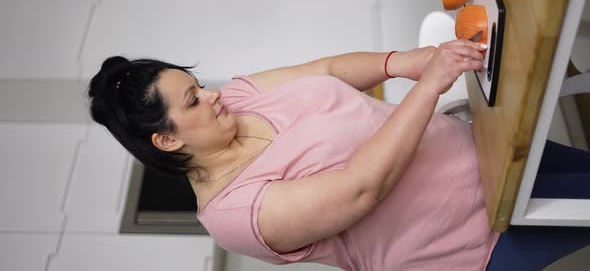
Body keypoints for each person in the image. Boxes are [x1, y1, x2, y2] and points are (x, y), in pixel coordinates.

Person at [87, 39, 589, 271]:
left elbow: (327, 68)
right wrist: (428, 87)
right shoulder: (234, 214)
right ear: (167, 139)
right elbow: (360, 190)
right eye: (194, 100)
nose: (213, 95)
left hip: (485, 150)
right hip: (480, 237)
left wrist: (402, 64)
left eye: (199, 85)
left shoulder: (238, 97)